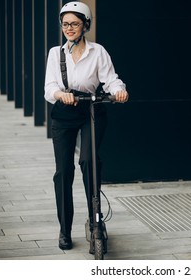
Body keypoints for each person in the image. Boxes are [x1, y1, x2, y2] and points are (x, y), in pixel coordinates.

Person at [44, 1, 128, 251]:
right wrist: (61, 94)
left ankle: (95, 222)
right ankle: (64, 229)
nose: (69, 28)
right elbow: (49, 87)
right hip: (64, 113)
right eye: (65, 24)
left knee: (89, 162)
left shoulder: (98, 52)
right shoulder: (54, 53)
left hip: (91, 109)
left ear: (85, 25)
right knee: (63, 173)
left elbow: (111, 79)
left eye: (75, 24)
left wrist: (119, 91)